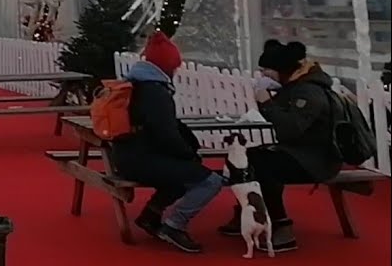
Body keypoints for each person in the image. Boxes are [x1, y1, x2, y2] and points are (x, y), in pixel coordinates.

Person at [217, 40, 341, 253]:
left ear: (281, 70)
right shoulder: (294, 86)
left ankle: (281, 225)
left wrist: (267, 103)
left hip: (316, 159)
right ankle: (249, 212)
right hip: (300, 152)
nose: (263, 76)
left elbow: (289, 129)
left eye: (267, 71)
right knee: (248, 158)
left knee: (263, 165)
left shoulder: (309, 92)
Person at [111, 31, 223, 254]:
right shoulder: (156, 92)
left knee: (180, 177)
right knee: (210, 181)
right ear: (167, 65)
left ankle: (150, 216)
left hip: (128, 155)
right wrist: (188, 155)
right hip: (141, 160)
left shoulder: (136, 84)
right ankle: (175, 225)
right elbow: (166, 134)